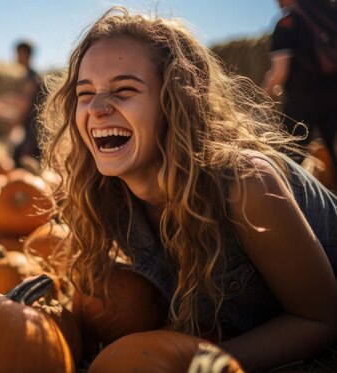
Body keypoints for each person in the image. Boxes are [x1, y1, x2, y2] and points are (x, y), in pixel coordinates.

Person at [39, 6, 337, 371]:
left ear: (177, 99)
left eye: (125, 89)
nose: (98, 107)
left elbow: (320, 321)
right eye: (85, 94)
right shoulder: (108, 196)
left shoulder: (247, 186)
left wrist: (192, 364)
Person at [262, 0, 337, 171]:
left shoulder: (287, 22)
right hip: (334, 95)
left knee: (288, 163)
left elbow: (280, 72)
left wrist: (266, 91)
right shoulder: (330, 14)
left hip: (302, 101)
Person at [10, 40, 45, 168]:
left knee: (24, 162)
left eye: (18, 53)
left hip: (32, 129)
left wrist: (14, 123)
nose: (16, 57)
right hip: (33, 128)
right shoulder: (32, 76)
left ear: (25, 54)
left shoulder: (31, 77)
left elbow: (25, 105)